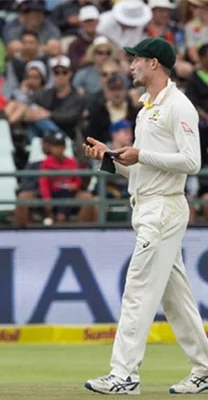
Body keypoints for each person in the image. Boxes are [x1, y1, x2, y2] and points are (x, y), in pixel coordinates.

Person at [83, 37, 208, 395]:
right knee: (176, 299)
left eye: (136, 59)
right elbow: (140, 169)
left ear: (154, 63)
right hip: (149, 204)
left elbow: (192, 163)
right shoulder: (147, 107)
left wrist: (142, 156)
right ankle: (204, 368)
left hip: (164, 209)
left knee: (137, 291)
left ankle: (124, 375)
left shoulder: (178, 105)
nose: (131, 65)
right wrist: (109, 158)